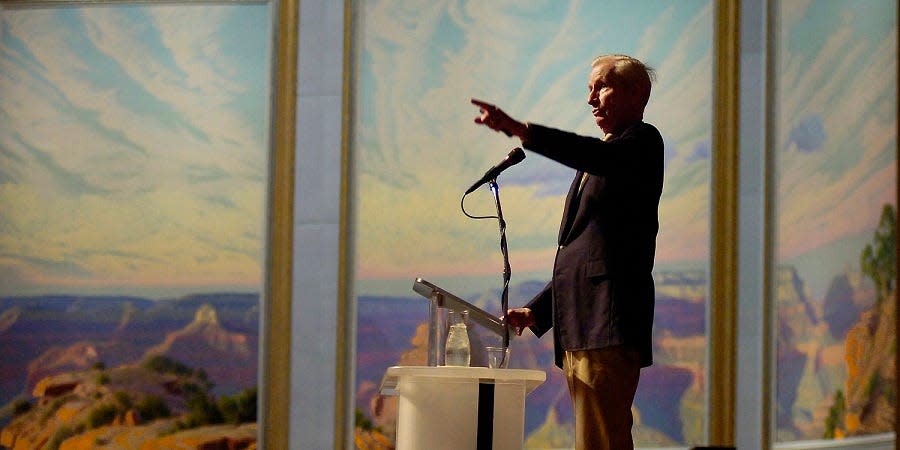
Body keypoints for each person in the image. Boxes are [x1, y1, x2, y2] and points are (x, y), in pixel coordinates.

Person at [471, 54, 663, 450]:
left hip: (606, 326)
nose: (591, 99)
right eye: (588, 90)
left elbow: (597, 156)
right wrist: (539, 311)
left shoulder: (641, 143)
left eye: (602, 87)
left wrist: (522, 130)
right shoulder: (605, 157)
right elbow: (585, 253)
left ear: (635, 93)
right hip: (582, 326)